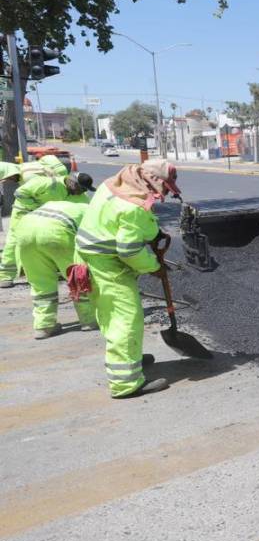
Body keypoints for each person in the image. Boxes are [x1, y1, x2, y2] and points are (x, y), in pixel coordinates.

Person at [77, 160, 181, 399]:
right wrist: (154, 266)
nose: (165, 193)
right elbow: (129, 251)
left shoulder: (115, 184)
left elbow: (124, 222)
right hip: (108, 264)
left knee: (109, 313)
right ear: (153, 180)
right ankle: (126, 382)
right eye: (165, 187)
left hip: (88, 255)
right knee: (126, 318)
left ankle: (128, 357)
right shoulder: (134, 206)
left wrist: (154, 233)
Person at [17, 188, 98, 338]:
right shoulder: (92, 212)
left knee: (41, 283)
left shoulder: (65, 205)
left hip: (24, 231)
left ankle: (44, 326)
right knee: (78, 277)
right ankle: (89, 320)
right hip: (56, 233)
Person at [0, 168, 86, 288]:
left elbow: (87, 210)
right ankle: (5, 275)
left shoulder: (79, 195)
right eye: (81, 189)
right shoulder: (46, 183)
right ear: (72, 183)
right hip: (23, 212)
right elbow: (20, 193)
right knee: (15, 241)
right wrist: (35, 207)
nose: (82, 192)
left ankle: (57, 268)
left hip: (46, 219)